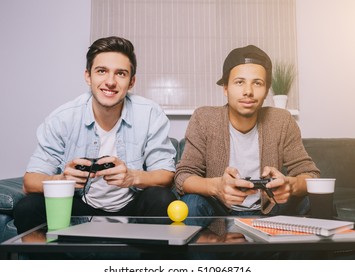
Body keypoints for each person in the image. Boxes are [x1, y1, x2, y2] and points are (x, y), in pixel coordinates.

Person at [14, 36, 177, 234]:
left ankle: (144, 265)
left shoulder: (150, 114)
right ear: (88, 76)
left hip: (132, 209)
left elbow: (166, 175)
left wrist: (132, 177)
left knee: (162, 199)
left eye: (121, 74)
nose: (110, 82)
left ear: (132, 81)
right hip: (80, 207)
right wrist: (62, 180)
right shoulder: (63, 118)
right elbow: (30, 181)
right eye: (101, 71)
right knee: (28, 206)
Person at [174, 45, 320, 217]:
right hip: (219, 209)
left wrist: (291, 185)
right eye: (239, 82)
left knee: (314, 198)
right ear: (226, 88)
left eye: (257, 83)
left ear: (266, 91)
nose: (248, 91)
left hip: (271, 208)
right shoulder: (204, 118)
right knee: (191, 203)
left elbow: (311, 175)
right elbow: (183, 176)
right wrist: (217, 187)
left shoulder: (281, 120)